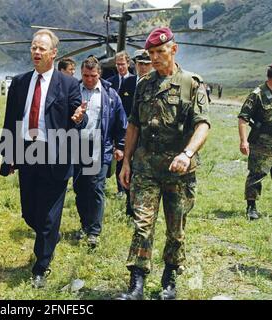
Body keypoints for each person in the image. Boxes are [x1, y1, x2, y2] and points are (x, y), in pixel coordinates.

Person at [117, 27, 210, 300]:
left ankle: (169, 281)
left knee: (175, 228)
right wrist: (126, 163)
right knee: (141, 224)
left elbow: (203, 125)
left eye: (160, 52)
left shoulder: (191, 83)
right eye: (151, 54)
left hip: (178, 170)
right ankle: (136, 283)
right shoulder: (143, 84)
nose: (155, 58)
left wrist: (188, 153)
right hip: (146, 168)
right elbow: (134, 124)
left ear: (174, 49)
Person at [0, 29, 87, 288]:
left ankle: (41, 266)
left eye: (41, 48)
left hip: (55, 154)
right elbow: (11, 120)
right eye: (34, 47)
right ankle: (49, 237)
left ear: (53, 53)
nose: (36, 52)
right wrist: (8, 156)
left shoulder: (68, 84)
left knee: (48, 215)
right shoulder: (20, 82)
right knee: (29, 212)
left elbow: (79, 117)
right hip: (27, 151)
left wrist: (81, 119)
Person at [72, 56, 127, 248]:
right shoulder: (73, 92)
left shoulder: (110, 95)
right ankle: (85, 225)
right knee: (80, 189)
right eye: (85, 75)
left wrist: (120, 146)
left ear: (99, 74)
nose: (89, 79)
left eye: (93, 76)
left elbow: (121, 124)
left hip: (100, 147)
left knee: (96, 188)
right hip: (77, 147)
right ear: (81, 73)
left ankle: (94, 231)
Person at [238, 65, 272, 220]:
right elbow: (243, 118)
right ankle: (251, 207)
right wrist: (243, 141)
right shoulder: (257, 94)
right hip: (261, 142)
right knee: (256, 174)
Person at [107, 51, 137, 216]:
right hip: (113, 124)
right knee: (116, 154)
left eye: (122, 64)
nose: (120, 67)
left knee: (125, 155)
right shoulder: (110, 82)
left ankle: (123, 187)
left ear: (128, 64)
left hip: (129, 125)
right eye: (117, 64)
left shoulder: (134, 82)